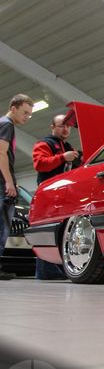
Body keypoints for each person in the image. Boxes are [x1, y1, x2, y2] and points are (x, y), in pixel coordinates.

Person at [32, 114, 81, 280]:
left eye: (67, 126)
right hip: (48, 193)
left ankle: (55, 269)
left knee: (60, 230)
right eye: (61, 125)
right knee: (47, 230)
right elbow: (40, 164)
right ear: (52, 127)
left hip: (63, 194)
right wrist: (62, 158)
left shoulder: (68, 146)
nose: (65, 129)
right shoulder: (44, 143)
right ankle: (46, 271)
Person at [0, 94, 34, 280]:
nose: (27, 117)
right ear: (13, 108)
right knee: (1, 227)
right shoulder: (7, 124)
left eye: (29, 114)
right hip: (1, 182)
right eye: (24, 112)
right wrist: (8, 182)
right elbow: (1, 154)